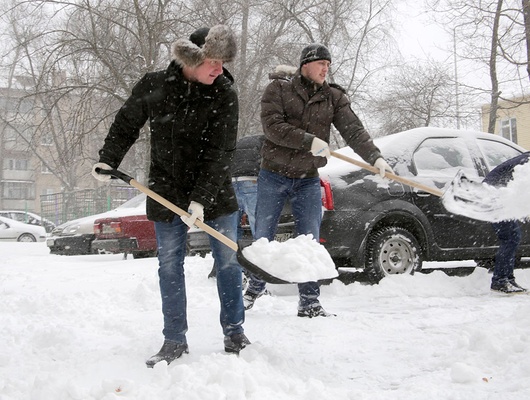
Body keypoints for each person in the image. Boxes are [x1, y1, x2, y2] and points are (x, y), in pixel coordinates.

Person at [91, 25, 250, 367]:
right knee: (168, 267)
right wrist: (108, 159)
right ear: (192, 59)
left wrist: (201, 199)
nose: (220, 69)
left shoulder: (224, 93)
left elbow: (222, 152)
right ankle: (174, 338)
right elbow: (126, 123)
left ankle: (235, 331)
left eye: (223, 62)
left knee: (227, 262)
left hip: (215, 192)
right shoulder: (155, 85)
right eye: (214, 62)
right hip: (166, 190)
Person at [243, 44, 394, 317]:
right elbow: (272, 127)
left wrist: (375, 158)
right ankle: (254, 288)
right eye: (321, 63)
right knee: (263, 235)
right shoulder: (278, 89)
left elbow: (353, 129)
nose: (326, 68)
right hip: (273, 175)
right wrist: (308, 140)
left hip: (307, 179)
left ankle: (309, 302)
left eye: (329, 64)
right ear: (305, 65)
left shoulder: (332, 97)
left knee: (309, 241)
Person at [208, 134, 265, 279]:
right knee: (258, 228)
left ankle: (230, 269)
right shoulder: (265, 142)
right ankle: (259, 274)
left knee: (233, 229)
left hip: (232, 182)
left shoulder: (240, 142)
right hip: (251, 181)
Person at [483, 152, 530, 294]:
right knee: (510, 237)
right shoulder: (527, 163)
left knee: (512, 237)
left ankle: (507, 279)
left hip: (499, 195)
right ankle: (500, 281)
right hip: (494, 195)